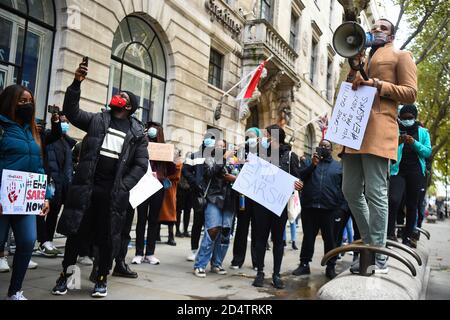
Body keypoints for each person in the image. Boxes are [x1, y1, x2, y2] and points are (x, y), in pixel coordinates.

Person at [51, 60, 148, 298]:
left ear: (130, 106)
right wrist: (76, 83)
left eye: (123, 95)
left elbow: (141, 165)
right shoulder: (98, 120)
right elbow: (72, 113)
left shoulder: (137, 133)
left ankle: (102, 278)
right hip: (87, 188)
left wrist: (124, 186)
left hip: (113, 193)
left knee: (107, 237)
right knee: (76, 233)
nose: (118, 96)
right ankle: (66, 275)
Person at [341, 19, 417, 274]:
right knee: (350, 190)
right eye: (373, 26)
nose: (376, 29)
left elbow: (410, 93)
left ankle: (378, 255)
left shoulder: (401, 55)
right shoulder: (361, 56)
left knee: (376, 192)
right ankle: (370, 244)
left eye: (383, 27)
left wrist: (377, 85)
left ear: (392, 35)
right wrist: (354, 68)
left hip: (379, 128)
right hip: (354, 130)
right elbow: (349, 89)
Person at [0, 84, 50, 300]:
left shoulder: (33, 133)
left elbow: (38, 166)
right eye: (22, 101)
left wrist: (45, 195)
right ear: (10, 102)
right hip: (2, 199)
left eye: (30, 101)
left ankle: (15, 291)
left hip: (24, 200)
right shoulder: (2, 129)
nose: (27, 105)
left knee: (28, 241)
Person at [252, 124, 303, 289]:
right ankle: (260, 272)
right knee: (260, 239)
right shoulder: (259, 154)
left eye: (265, 135)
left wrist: (298, 184)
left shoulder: (290, 156)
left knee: (278, 240)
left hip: (279, 205)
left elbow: (297, 179)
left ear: (274, 137)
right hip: (261, 204)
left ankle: (276, 274)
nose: (262, 138)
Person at [292, 139, 342, 279]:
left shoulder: (338, 167)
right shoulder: (309, 162)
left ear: (331, 150)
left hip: (330, 209)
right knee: (308, 237)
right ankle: (304, 265)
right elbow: (300, 176)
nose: (323, 148)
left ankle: (330, 266)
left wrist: (340, 207)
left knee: (330, 239)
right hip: (310, 207)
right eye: (321, 146)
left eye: (326, 146)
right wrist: (313, 165)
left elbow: (343, 188)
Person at [387, 104, 431, 248]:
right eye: (404, 118)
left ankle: (407, 237)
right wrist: (398, 141)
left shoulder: (423, 132)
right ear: (400, 118)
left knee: (412, 205)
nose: (407, 120)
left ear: (414, 117)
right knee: (393, 200)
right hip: (397, 170)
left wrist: (414, 143)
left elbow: (427, 152)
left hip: (416, 172)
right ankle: (390, 234)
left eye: (410, 118)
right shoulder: (395, 130)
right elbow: (387, 148)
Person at [193, 139, 237, 278]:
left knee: (224, 233)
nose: (220, 147)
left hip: (230, 200)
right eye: (217, 145)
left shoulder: (234, 160)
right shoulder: (208, 159)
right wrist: (223, 158)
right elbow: (210, 173)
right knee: (212, 230)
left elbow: (241, 175)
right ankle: (200, 264)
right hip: (213, 198)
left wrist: (235, 177)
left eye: (223, 146)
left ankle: (217, 263)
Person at [132, 122, 175, 265]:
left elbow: (171, 171)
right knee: (142, 219)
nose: (152, 132)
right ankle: (138, 252)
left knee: (153, 220)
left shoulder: (164, 149)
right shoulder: (142, 145)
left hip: (157, 186)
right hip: (143, 185)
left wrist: (170, 159)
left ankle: (150, 253)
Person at [37, 113, 76, 256]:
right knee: (42, 212)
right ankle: (42, 241)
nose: (64, 124)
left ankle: (48, 240)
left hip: (61, 183)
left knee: (54, 213)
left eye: (66, 121)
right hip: (50, 181)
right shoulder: (49, 137)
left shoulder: (67, 143)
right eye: (62, 121)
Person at [230, 127, 261, 270]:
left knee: (257, 230)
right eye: (247, 136)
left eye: (253, 136)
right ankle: (237, 260)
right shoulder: (240, 152)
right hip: (243, 195)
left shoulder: (264, 153)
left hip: (258, 196)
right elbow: (232, 166)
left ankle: (257, 262)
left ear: (259, 138)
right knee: (241, 228)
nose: (250, 139)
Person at [182, 133, 213, 262]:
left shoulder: (217, 157)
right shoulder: (194, 156)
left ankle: (206, 251)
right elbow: (185, 171)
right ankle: (194, 250)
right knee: (197, 223)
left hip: (212, 195)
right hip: (197, 194)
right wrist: (195, 182)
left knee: (210, 224)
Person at [159, 149, 183, 246]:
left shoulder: (178, 163)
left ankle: (171, 236)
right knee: (158, 211)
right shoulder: (165, 161)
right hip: (161, 187)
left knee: (171, 213)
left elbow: (176, 176)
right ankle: (157, 235)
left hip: (170, 189)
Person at [176, 152, 193, 238]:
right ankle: (177, 230)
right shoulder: (181, 165)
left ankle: (185, 230)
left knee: (187, 210)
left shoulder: (193, 167)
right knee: (178, 211)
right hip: (181, 190)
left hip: (189, 191)